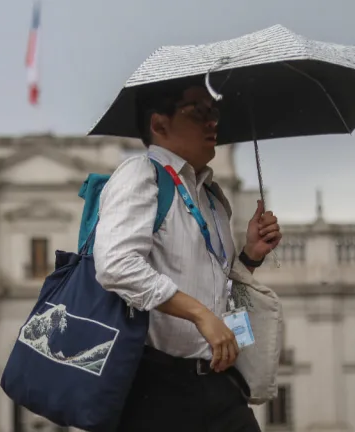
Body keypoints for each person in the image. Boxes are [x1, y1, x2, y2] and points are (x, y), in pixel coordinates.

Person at [93, 77, 283, 432]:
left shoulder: (212, 198)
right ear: (159, 124)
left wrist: (249, 257)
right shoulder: (140, 174)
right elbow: (115, 265)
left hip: (217, 383)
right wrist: (199, 315)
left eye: (214, 112)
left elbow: (218, 292)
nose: (212, 122)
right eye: (198, 112)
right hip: (157, 386)